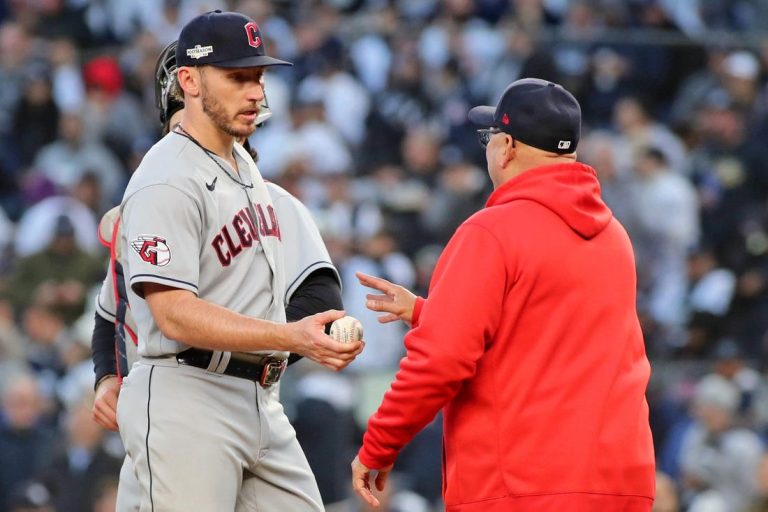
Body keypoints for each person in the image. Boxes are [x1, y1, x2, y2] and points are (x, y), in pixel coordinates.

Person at [350, 78, 655, 511]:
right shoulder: (612, 235)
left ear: (508, 146)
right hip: (620, 485)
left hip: (524, 485)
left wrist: (378, 446)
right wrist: (427, 312)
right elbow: (544, 334)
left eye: (488, 137)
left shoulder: (491, 232)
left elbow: (441, 360)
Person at [113, 11, 363, 511]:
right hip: (187, 397)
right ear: (189, 81)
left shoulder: (241, 162)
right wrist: (291, 336)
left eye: (258, 76)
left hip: (260, 398)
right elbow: (173, 314)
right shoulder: (166, 177)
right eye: (236, 77)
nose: (255, 92)